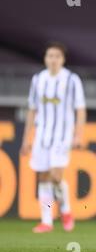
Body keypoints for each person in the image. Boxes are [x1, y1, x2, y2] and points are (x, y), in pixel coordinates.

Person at [20, 42, 86, 233]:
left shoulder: (72, 80)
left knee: (56, 176)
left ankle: (65, 210)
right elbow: (32, 110)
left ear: (63, 59)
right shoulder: (38, 79)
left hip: (62, 136)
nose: (53, 59)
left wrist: (78, 134)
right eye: (50, 56)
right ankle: (46, 220)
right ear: (45, 58)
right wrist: (27, 138)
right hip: (42, 135)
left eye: (57, 56)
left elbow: (80, 109)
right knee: (43, 176)